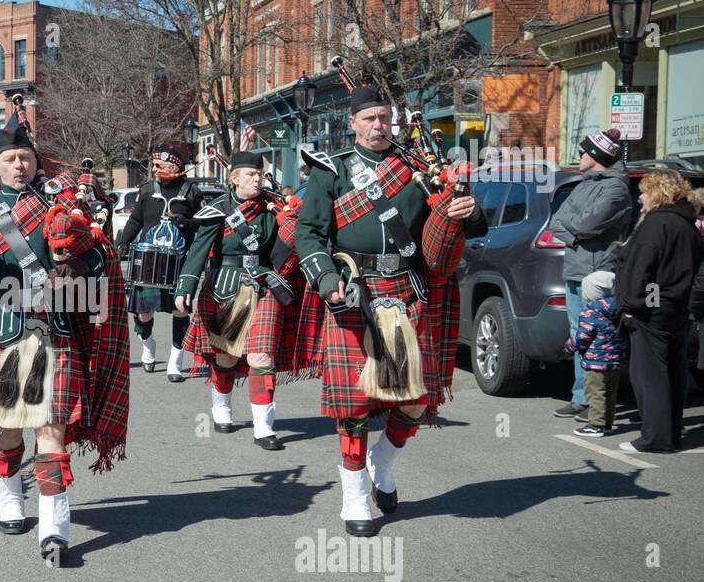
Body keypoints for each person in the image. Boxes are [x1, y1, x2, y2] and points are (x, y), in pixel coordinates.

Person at [295, 83, 485, 537]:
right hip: (354, 287)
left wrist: (469, 210)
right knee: (355, 403)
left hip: (406, 287)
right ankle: (355, 493)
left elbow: (458, 218)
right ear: (353, 124)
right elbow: (308, 233)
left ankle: (384, 457)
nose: (379, 126)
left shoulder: (416, 167)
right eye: (370, 119)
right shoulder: (331, 171)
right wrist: (325, 279)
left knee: (417, 399)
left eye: (384, 118)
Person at [0, 117, 129, 566]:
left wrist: (77, 270)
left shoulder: (57, 203)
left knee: (51, 426)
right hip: (4, 326)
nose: (19, 164)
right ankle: (8, 498)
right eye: (10, 158)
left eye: (25, 157)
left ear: (35, 161)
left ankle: (54, 528)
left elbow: (98, 252)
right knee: (8, 428)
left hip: (54, 327)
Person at [175, 150, 303, 450]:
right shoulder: (217, 211)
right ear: (234, 178)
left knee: (261, 356)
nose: (257, 179)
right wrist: (185, 287)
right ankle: (221, 405)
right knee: (227, 357)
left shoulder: (273, 210)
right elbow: (198, 252)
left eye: (260, 174)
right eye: (250, 174)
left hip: (264, 286)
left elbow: (280, 253)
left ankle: (263, 426)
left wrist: (291, 219)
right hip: (226, 286)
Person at [549, 128, 634, 421]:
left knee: (598, 338)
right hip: (575, 266)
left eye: (583, 152)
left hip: (597, 272)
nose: (578, 156)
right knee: (579, 334)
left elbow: (588, 224)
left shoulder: (616, 188)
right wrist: (574, 234)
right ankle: (580, 397)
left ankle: (595, 403)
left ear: (597, 157)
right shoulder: (584, 183)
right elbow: (556, 221)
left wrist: (574, 231)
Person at [615, 170, 703, 453]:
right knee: (672, 371)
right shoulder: (687, 223)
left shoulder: (657, 223)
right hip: (677, 305)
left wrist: (634, 304)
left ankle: (655, 437)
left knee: (650, 374)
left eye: (643, 191)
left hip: (655, 307)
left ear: (657, 192)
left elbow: (643, 268)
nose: (639, 198)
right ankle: (670, 432)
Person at [115, 145, 203, 379]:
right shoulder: (147, 190)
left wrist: (187, 222)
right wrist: (123, 243)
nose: (153, 169)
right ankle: (148, 345)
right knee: (143, 312)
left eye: (158, 165)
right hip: (148, 263)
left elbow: (204, 225)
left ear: (173, 166)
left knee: (180, 309)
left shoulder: (191, 192)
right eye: (153, 165)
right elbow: (135, 220)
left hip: (178, 262)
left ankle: (176, 360)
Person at [565, 270, 623, 437]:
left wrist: (569, 346)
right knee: (611, 393)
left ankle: (596, 425)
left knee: (595, 393)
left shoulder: (590, 313)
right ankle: (607, 423)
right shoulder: (617, 310)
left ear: (590, 294)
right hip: (615, 361)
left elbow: (582, 338)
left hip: (595, 362)